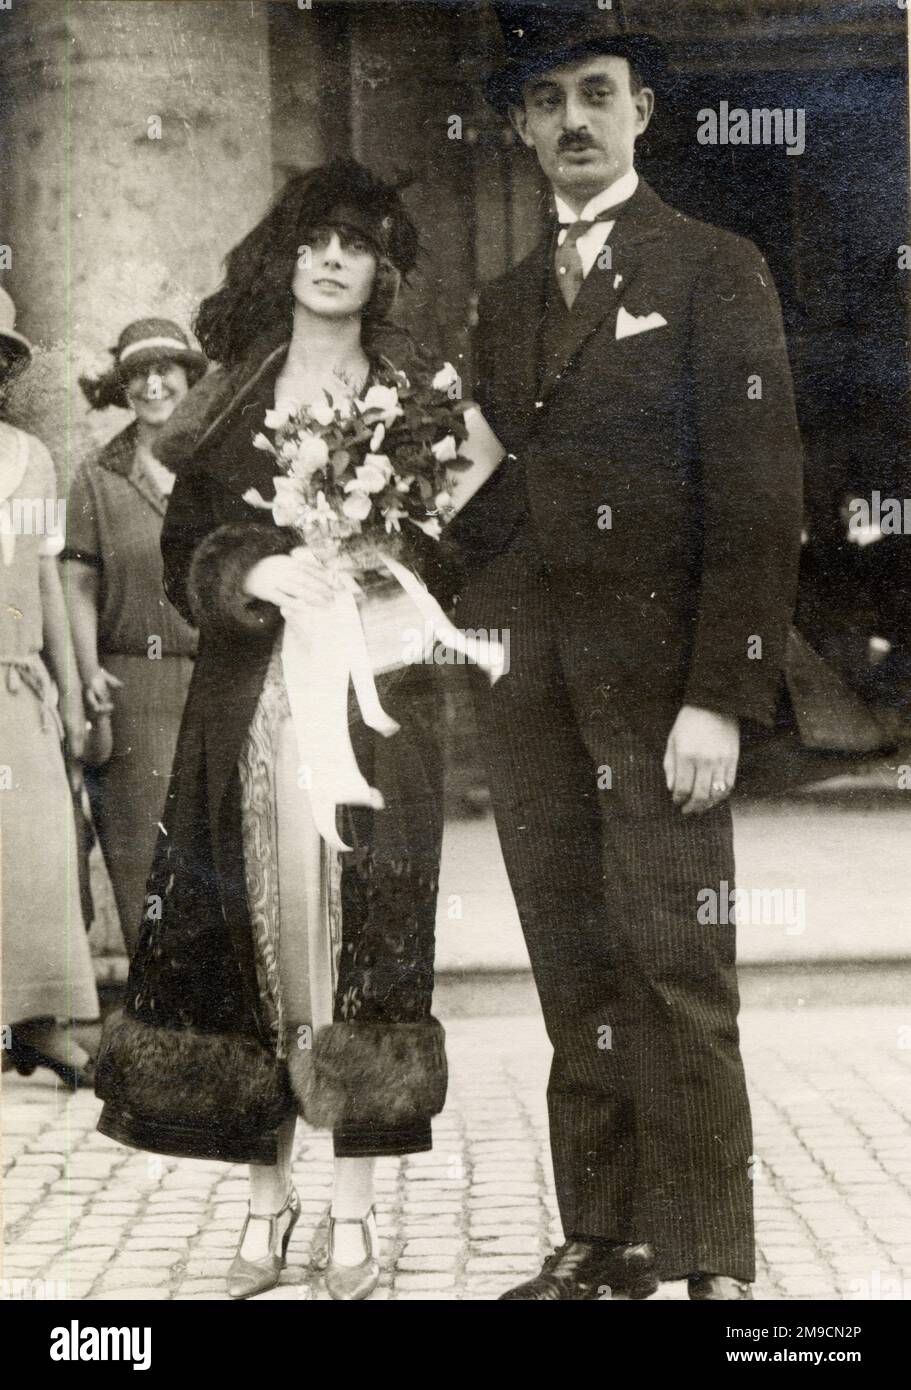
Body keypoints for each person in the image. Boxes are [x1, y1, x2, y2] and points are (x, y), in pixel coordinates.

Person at [93, 159, 503, 1300]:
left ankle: (356, 1216)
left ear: (382, 268)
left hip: (375, 703)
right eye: (315, 241)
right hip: (248, 706)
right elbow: (185, 553)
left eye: (357, 244)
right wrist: (258, 565)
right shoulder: (230, 393)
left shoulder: (419, 393)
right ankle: (267, 1209)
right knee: (253, 936)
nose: (332, 259)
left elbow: (471, 526)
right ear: (286, 258)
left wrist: (390, 566)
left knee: (362, 939)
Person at [448, 2, 804, 1300]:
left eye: (594, 93)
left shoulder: (710, 267)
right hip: (531, 693)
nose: (571, 123)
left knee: (677, 969)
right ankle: (603, 1236)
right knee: (574, 961)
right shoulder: (494, 306)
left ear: (639, 111)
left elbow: (760, 499)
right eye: (543, 104)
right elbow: (490, 500)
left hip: (661, 696)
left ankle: (712, 1259)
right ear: (516, 130)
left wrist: (717, 693)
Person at [63, 320, 204, 953]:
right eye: (137, 374)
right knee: (145, 858)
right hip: (134, 686)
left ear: (189, 377)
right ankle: (156, 1024)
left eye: (165, 369)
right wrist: (89, 671)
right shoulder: (97, 477)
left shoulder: (217, 466)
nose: (152, 384)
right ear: (123, 389)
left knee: (220, 854)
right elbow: (77, 585)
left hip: (215, 678)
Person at [0, 287, 100, 1088]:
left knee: (34, 851)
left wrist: (70, 695)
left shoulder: (31, 458)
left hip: (15, 683)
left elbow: (49, 578)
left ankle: (38, 1022)